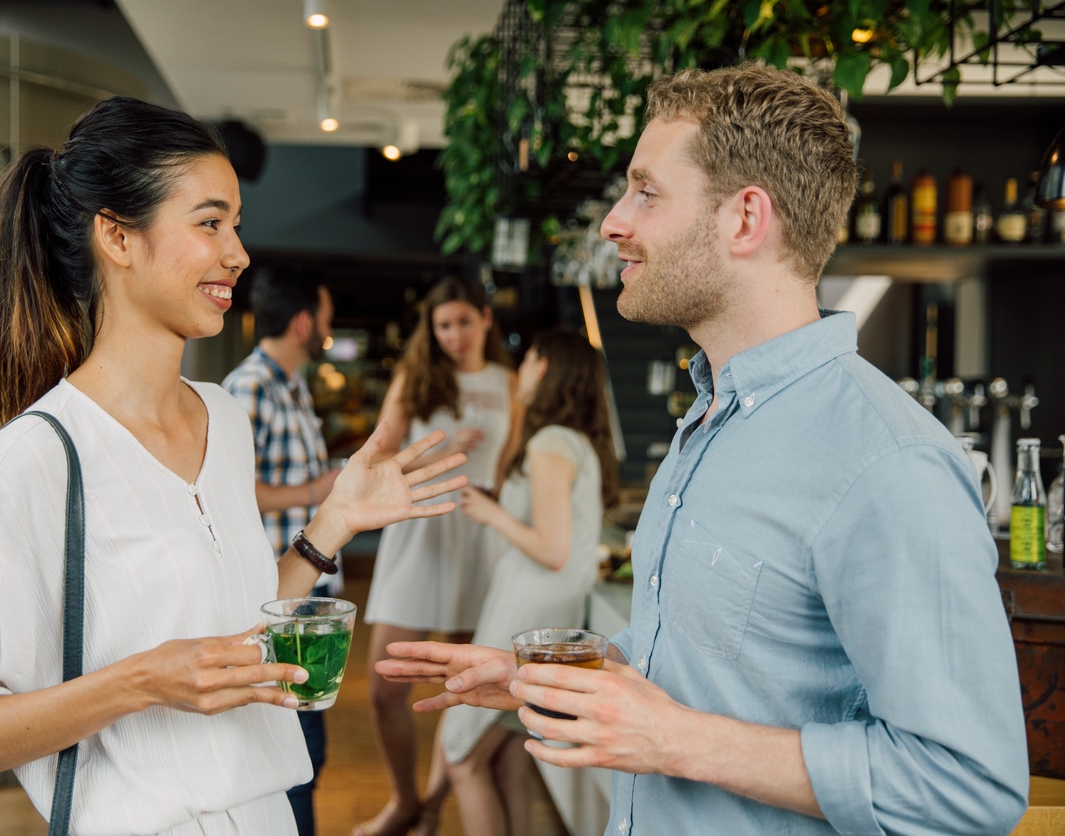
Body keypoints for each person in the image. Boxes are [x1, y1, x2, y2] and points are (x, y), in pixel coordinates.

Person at [377, 64, 1030, 836]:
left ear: (745, 220)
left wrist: (675, 740)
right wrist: (555, 677)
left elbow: (968, 787)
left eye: (646, 193)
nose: (614, 222)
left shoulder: (888, 463)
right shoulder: (710, 421)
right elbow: (709, 667)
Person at [0, 95, 468, 836]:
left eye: (236, 224)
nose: (238, 252)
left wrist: (334, 523)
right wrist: (139, 682)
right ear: (118, 237)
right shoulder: (32, 462)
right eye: (209, 223)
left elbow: (232, 638)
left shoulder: (223, 420)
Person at [356, 275, 519, 836]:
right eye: (442, 325)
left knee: (467, 687)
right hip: (419, 529)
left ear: (485, 320)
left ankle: (431, 804)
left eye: (464, 322)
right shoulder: (416, 377)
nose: (453, 335)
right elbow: (376, 461)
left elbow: (514, 468)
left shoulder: (511, 382)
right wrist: (442, 452)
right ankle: (403, 801)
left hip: (480, 535)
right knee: (384, 687)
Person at [441, 327, 620, 835]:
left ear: (542, 367)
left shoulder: (552, 441)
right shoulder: (567, 438)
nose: (518, 372)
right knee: (508, 759)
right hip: (545, 605)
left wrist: (490, 513)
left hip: (530, 609)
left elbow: (552, 548)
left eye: (525, 363)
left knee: (461, 754)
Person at [221, 268, 342, 836]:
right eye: (325, 318)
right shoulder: (250, 387)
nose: (328, 329)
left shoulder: (290, 385)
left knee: (305, 753)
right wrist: (319, 494)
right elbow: (227, 491)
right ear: (303, 323)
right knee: (293, 754)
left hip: (307, 594)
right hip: (273, 597)